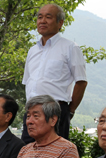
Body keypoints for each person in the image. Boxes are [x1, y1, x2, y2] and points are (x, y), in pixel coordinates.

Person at [21, 3, 87, 144]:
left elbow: (81, 81)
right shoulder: (32, 50)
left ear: (60, 23)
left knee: (53, 156)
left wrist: (69, 111)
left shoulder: (70, 47)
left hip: (55, 110)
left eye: (48, 17)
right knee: (27, 153)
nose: (42, 21)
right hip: (31, 111)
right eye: (40, 17)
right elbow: (28, 81)